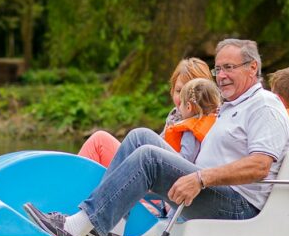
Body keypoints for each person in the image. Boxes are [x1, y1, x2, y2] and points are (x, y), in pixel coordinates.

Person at [25, 39, 289, 236]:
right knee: (140, 137)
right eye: (218, 69)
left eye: (229, 68)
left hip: (239, 206)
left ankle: (76, 228)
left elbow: (259, 166)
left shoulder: (263, 106)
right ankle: (109, 231)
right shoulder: (234, 105)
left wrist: (200, 179)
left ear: (252, 68)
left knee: (149, 158)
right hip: (216, 191)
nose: (220, 75)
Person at [78, 58, 212, 167]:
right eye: (179, 91)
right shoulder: (176, 117)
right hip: (146, 167)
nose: (183, 98)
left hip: (154, 181)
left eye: (189, 93)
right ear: (172, 91)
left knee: (123, 138)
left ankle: (76, 193)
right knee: (99, 140)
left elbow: (184, 166)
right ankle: (73, 192)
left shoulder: (195, 126)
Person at [163, 77, 223, 162]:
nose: (179, 107)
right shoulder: (218, 121)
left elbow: (186, 158)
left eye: (181, 103)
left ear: (188, 107)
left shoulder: (191, 130)